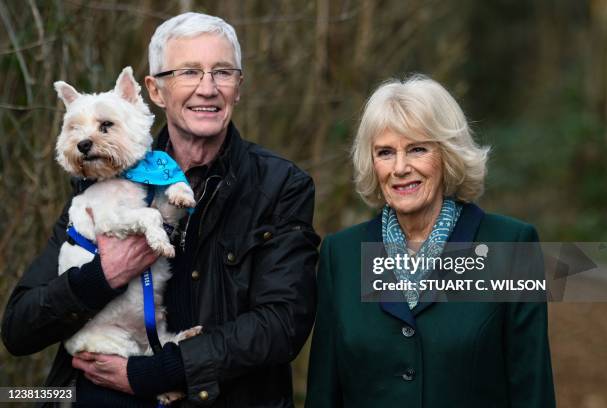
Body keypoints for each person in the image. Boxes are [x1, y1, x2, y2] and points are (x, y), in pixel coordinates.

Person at [2, 12, 319, 407]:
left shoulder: (280, 185)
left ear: (238, 87)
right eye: (188, 72)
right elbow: (19, 328)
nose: (207, 88)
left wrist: (154, 373)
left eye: (222, 72)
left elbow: (282, 324)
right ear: (155, 90)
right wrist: (102, 277)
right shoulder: (102, 177)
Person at [305, 75, 556, 407]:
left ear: (447, 155)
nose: (400, 167)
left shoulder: (510, 246)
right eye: (384, 152)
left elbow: (532, 392)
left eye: (417, 149)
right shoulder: (342, 255)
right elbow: (324, 394)